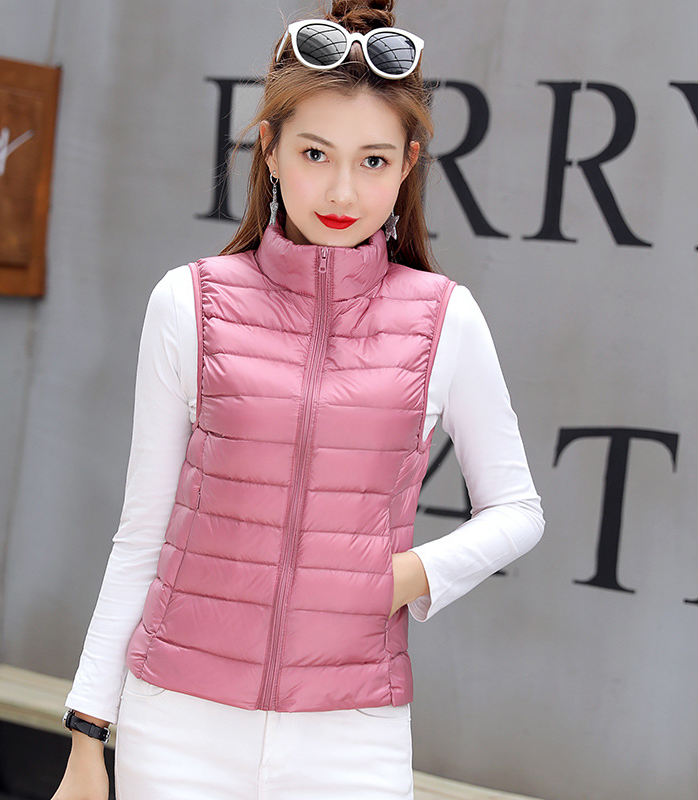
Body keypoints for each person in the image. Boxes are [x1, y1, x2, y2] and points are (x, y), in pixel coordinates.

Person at [51, 2, 544, 798]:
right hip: (177, 723)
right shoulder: (190, 303)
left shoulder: (444, 319)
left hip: (352, 734)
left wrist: (403, 577)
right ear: (271, 150)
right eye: (316, 152)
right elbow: (142, 534)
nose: (343, 188)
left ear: (408, 165)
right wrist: (87, 734)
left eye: (373, 160)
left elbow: (518, 510)